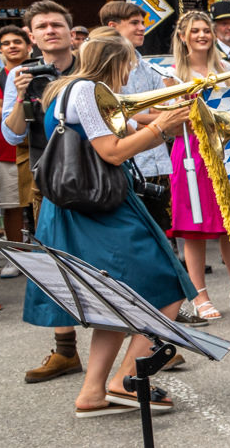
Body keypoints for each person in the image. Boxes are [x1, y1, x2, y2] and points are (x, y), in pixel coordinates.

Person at [21, 34, 196, 416]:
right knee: (169, 287)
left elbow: (128, 131)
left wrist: (168, 119)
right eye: (128, 65)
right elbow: (112, 152)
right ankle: (125, 380)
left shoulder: (68, 89)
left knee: (113, 298)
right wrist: (161, 127)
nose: (129, 74)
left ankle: (93, 393)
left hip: (82, 205)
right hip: (98, 209)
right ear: (116, 62)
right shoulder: (88, 90)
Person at [0, 1, 83, 382]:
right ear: (31, 36)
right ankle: (65, 351)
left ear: (70, 32)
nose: (50, 30)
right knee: (55, 262)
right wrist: (20, 96)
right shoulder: (21, 74)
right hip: (47, 180)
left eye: (56, 24)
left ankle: (147, 343)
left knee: (115, 258)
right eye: (42, 26)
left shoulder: (90, 66)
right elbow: (12, 134)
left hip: (98, 176)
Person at [167, 11, 230, 320]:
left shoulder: (226, 69)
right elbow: (167, 121)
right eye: (195, 31)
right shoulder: (172, 74)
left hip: (224, 150)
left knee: (229, 224)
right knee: (194, 227)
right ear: (183, 37)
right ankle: (200, 295)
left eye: (206, 30)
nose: (202, 35)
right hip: (190, 151)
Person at [98, 3, 175, 231]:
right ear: (113, 26)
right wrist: (154, 118)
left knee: (161, 234)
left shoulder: (150, 68)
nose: (142, 28)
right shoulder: (105, 69)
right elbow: (114, 114)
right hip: (128, 166)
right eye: (134, 23)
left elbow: (164, 112)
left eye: (142, 23)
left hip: (158, 164)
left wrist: (140, 116)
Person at [0, 25, 32, 262]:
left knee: (44, 207)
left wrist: (8, 109)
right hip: (5, 153)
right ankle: (18, 258)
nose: (12, 46)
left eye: (17, 42)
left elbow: (3, 112)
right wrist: (28, 107)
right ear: (0, 50)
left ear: (29, 46)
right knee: (12, 207)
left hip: (41, 150)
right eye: (6, 43)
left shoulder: (43, 71)